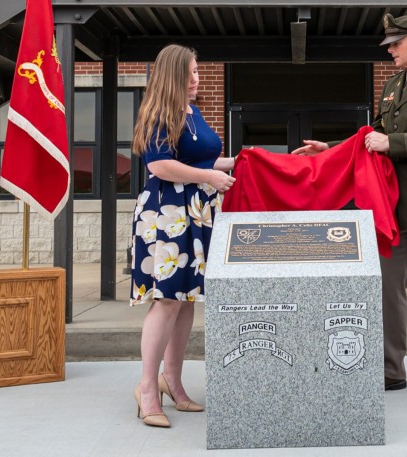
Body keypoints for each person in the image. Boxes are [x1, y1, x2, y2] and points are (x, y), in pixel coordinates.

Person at [292, 14, 407, 412]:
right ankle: (390, 369)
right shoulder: (394, 86)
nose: (390, 50)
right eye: (389, 45)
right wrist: (331, 149)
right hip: (392, 206)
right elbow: (370, 137)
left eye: (396, 43)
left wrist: (391, 142)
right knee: (387, 291)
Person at [129, 44, 236, 427]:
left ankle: (172, 382)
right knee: (168, 300)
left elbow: (202, 160)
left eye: (197, 71)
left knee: (187, 299)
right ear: (173, 75)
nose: (196, 78)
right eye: (190, 72)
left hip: (195, 213)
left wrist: (240, 162)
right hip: (167, 213)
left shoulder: (192, 112)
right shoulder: (159, 111)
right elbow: (159, 164)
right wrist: (210, 177)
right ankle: (146, 388)